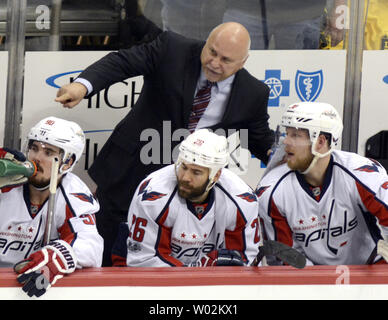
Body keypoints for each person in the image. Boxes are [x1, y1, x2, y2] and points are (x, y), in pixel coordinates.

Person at [55, 22, 275, 266]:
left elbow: (259, 138)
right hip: (127, 175)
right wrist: (82, 86)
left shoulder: (253, 93)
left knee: (160, 264)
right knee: (105, 257)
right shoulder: (172, 49)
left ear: (242, 62)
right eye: (212, 52)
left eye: (226, 60)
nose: (214, 62)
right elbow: (121, 63)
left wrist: (282, 154)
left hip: (186, 191)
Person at [256, 102, 388, 265]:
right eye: (287, 133)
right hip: (311, 282)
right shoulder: (270, 190)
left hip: (368, 272)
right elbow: (284, 261)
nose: (285, 142)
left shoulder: (363, 173)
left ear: (320, 141)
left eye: (296, 135)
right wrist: (321, 285)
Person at [112, 129, 260, 267]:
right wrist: (201, 268)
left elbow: (247, 261)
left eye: (196, 172)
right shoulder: (154, 196)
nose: (185, 177)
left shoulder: (242, 200)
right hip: (143, 276)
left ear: (216, 175)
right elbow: (143, 262)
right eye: (183, 167)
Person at [0, 117, 103, 297]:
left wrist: (58, 257)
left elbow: (91, 246)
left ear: (68, 162)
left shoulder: (74, 194)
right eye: (34, 148)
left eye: (48, 153)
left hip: (30, 285)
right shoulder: (6, 180)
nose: (37, 158)